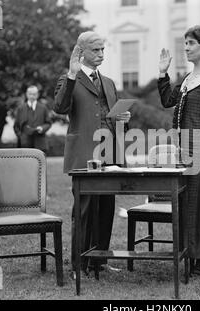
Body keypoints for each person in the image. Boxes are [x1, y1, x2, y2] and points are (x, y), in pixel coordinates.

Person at [53, 31, 131, 276]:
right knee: (84, 210)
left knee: (106, 209)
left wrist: (123, 120)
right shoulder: (69, 79)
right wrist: (72, 74)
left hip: (110, 155)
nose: (101, 54)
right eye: (96, 50)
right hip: (84, 156)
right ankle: (79, 264)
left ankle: (99, 261)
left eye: (102, 50)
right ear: (81, 52)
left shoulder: (108, 82)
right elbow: (60, 107)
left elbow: (112, 119)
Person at [157, 25, 200, 282]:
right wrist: (163, 73)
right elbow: (168, 100)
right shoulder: (188, 79)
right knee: (192, 206)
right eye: (185, 43)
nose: (186, 47)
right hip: (185, 154)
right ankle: (198, 260)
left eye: (191, 43)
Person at [13, 85, 51, 152]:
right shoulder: (20, 108)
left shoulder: (43, 108)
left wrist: (42, 128)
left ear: (37, 95)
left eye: (34, 94)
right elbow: (16, 126)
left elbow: (48, 123)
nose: (32, 96)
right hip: (24, 144)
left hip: (40, 143)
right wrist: (21, 136)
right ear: (26, 94)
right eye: (30, 94)